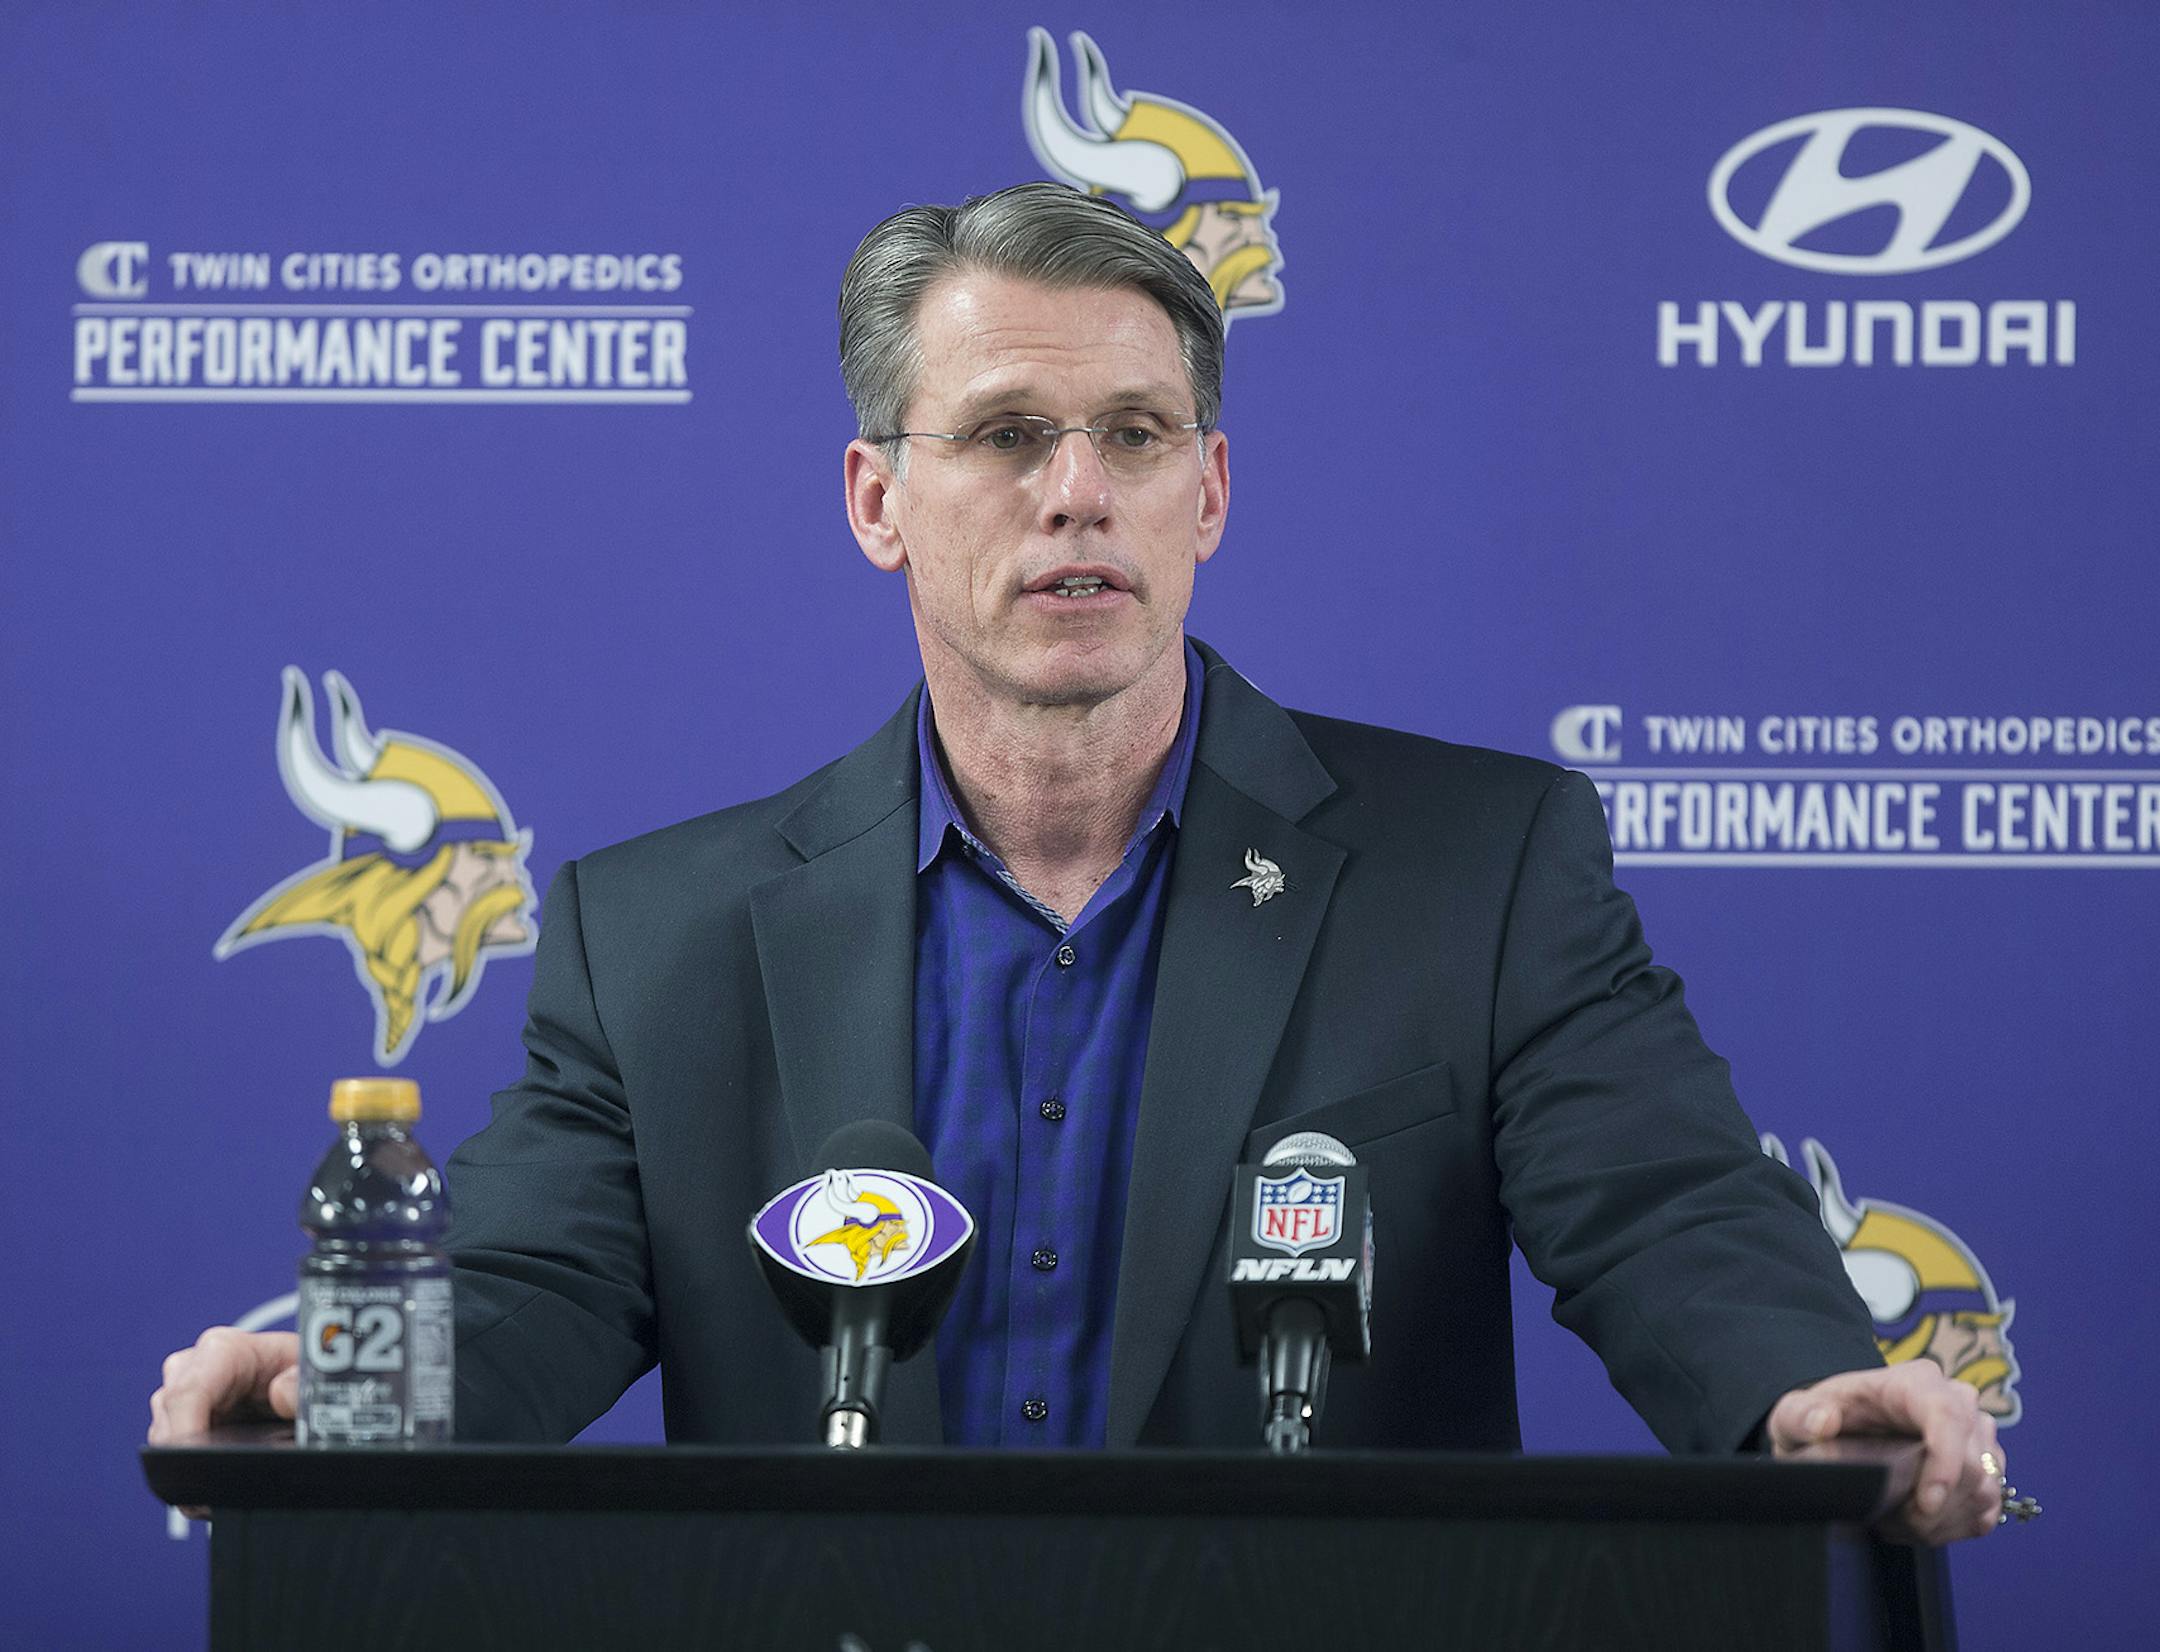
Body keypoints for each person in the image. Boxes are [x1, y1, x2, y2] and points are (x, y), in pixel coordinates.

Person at [152, 183, 2006, 1543]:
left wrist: (1803, 1383)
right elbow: (527, 1288)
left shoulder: (1480, 869)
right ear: (879, 501)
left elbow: (1668, 1207)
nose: (1076, 492)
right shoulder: (655, 936)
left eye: (1134, 435)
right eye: (1008, 436)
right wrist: (346, 1396)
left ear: (1210, 493)